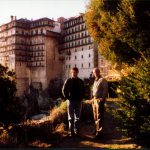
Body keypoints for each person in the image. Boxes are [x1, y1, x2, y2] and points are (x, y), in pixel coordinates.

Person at [62, 67, 85, 137]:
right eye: (73, 72)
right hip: (70, 101)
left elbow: (84, 91)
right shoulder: (68, 80)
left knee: (77, 117)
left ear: (77, 73)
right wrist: (67, 98)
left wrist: (81, 98)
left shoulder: (81, 81)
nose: (74, 73)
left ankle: (77, 132)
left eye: (75, 72)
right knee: (70, 118)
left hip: (78, 101)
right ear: (71, 73)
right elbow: (63, 90)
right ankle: (71, 132)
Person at [92, 67, 108, 138]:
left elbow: (105, 90)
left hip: (99, 100)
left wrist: (102, 99)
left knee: (99, 117)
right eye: (94, 72)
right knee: (95, 116)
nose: (95, 73)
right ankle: (96, 130)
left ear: (99, 72)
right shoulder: (95, 80)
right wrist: (92, 99)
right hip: (94, 100)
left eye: (96, 72)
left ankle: (99, 133)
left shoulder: (102, 80)